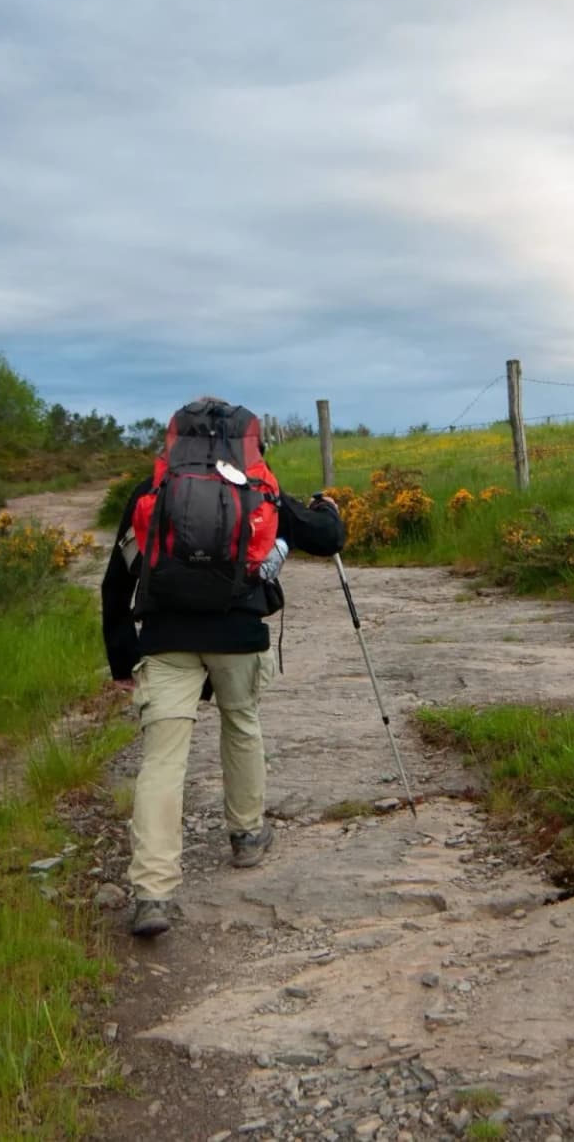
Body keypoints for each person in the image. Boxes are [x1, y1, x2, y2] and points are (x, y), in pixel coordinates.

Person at [101, 397, 345, 936]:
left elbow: (117, 579)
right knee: (241, 725)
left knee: (162, 760)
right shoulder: (259, 487)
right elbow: (327, 541)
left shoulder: (154, 491)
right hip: (239, 633)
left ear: (175, 441)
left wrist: (123, 656)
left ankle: (152, 893)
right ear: (246, 441)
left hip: (165, 637)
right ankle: (246, 836)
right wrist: (326, 511)